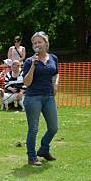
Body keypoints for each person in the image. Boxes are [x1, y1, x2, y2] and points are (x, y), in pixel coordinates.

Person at [22, 31, 59, 166]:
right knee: (33, 129)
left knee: (53, 127)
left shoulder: (53, 58)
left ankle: (44, 149)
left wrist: (55, 83)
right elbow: (26, 83)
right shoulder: (29, 61)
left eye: (39, 42)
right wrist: (33, 65)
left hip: (49, 97)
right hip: (33, 98)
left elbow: (55, 73)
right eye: (35, 43)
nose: (37, 45)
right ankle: (31, 157)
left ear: (45, 43)